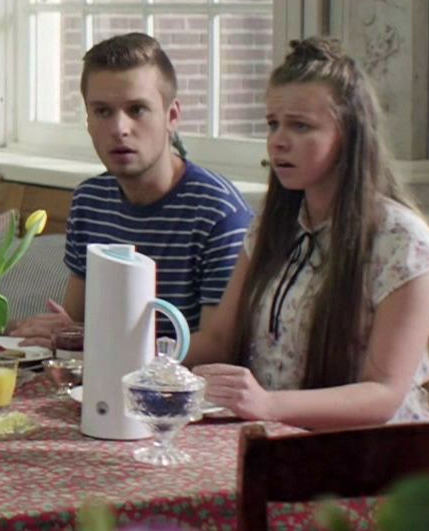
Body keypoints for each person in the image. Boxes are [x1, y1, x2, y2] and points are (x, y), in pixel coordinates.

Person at [186, 38, 429, 428]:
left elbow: (383, 393)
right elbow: (219, 340)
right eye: (273, 124)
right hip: (277, 436)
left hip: (372, 449)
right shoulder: (273, 225)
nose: (278, 140)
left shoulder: (403, 242)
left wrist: (268, 404)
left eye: (300, 125)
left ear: (349, 135)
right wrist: (138, 357)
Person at [15, 33, 254, 344]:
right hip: (98, 370)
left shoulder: (219, 212)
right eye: (102, 111)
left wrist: (99, 346)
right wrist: (61, 332)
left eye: (137, 109)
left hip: (183, 375)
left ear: (171, 116)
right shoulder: (89, 200)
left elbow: (218, 347)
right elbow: (78, 323)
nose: (119, 129)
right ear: (88, 120)